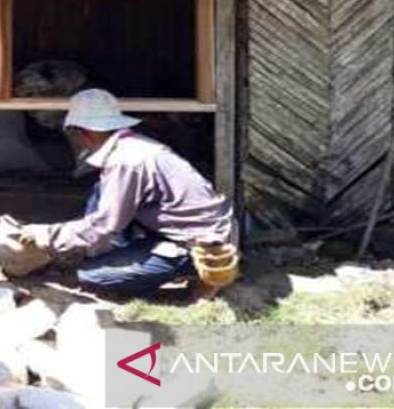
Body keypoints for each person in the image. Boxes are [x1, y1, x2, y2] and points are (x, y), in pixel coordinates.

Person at [18, 89, 236, 296]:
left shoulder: (126, 161)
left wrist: (44, 234)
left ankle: (191, 270)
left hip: (201, 245)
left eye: (72, 133)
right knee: (101, 191)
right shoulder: (131, 146)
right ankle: (121, 256)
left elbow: (104, 224)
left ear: (84, 133)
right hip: (178, 228)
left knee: (93, 276)